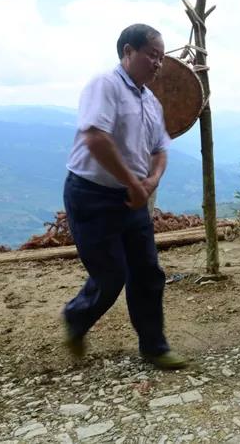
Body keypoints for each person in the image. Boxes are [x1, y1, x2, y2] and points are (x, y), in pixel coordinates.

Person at [62, 23, 187, 370]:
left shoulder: (151, 101)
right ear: (128, 52)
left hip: (132, 197)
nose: (158, 64)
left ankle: (154, 347)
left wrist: (150, 182)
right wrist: (135, 183)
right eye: (152, 56)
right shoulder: (105, 86)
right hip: (92, 195)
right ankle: (76, 317)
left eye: (161, 58)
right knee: (111, 274)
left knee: (147, 271)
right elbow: (95, 139)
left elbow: (161, 149)